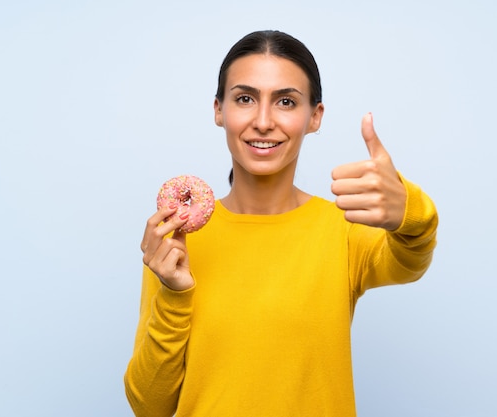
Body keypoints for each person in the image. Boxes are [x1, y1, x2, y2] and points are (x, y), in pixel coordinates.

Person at [124, 30, 438, 417]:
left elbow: (411, 261)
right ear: (219, 110)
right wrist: (173, 295)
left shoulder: (342, 230)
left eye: (286, 101)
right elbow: (149, 405)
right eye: (244, 99)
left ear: (314, 117)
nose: (263, 121)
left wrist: (412, 212)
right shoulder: (176, 241)